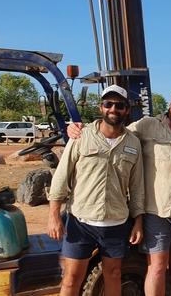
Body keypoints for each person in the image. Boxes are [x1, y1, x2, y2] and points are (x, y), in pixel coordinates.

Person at [68, 88, 171, 296]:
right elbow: (114, 129)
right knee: (157, 266)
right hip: (154, 211)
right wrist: (80, 129)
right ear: (170, 105)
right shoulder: (148, 125)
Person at [47, 85, 145, 296]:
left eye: (119, 105)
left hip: (116, 222)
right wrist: (54, 215)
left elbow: (137, 187)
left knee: (114, 275)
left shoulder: (133, 143)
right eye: (108, 104)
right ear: (101, 107)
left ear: (127, 110)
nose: (113, 109)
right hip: (80, 221)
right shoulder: (81, 136)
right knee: (72, 278)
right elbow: (62, 176)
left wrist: (138, 221)